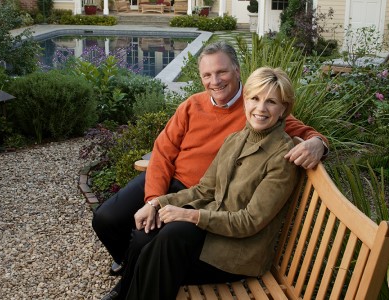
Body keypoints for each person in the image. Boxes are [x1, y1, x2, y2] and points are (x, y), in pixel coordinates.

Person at [92, 41, 329, 282]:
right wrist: (154, 200)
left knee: (145, 236)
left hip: (203, 195)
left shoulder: (257, 105)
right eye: (207, 75)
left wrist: (319, 144)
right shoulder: (192, 105)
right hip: (172, 184)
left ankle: (135, 273)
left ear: (237, 70)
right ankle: (131, 264)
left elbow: (306, 132)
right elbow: (163, 152)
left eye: (221, 72)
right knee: (105, 219)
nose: (214, 81)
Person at [113, 66, 300, 299]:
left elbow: (250, 221)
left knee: (169, 242)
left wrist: (191, 216)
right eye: (255, 98)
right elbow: (205, 189)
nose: (260, 108)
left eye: (271, 102)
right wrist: (156, 204)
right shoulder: (236, 139)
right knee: (145, 234)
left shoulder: (282, 157)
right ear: (245, 100)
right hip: (215, 234)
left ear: (284, 109)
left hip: (237, 254)